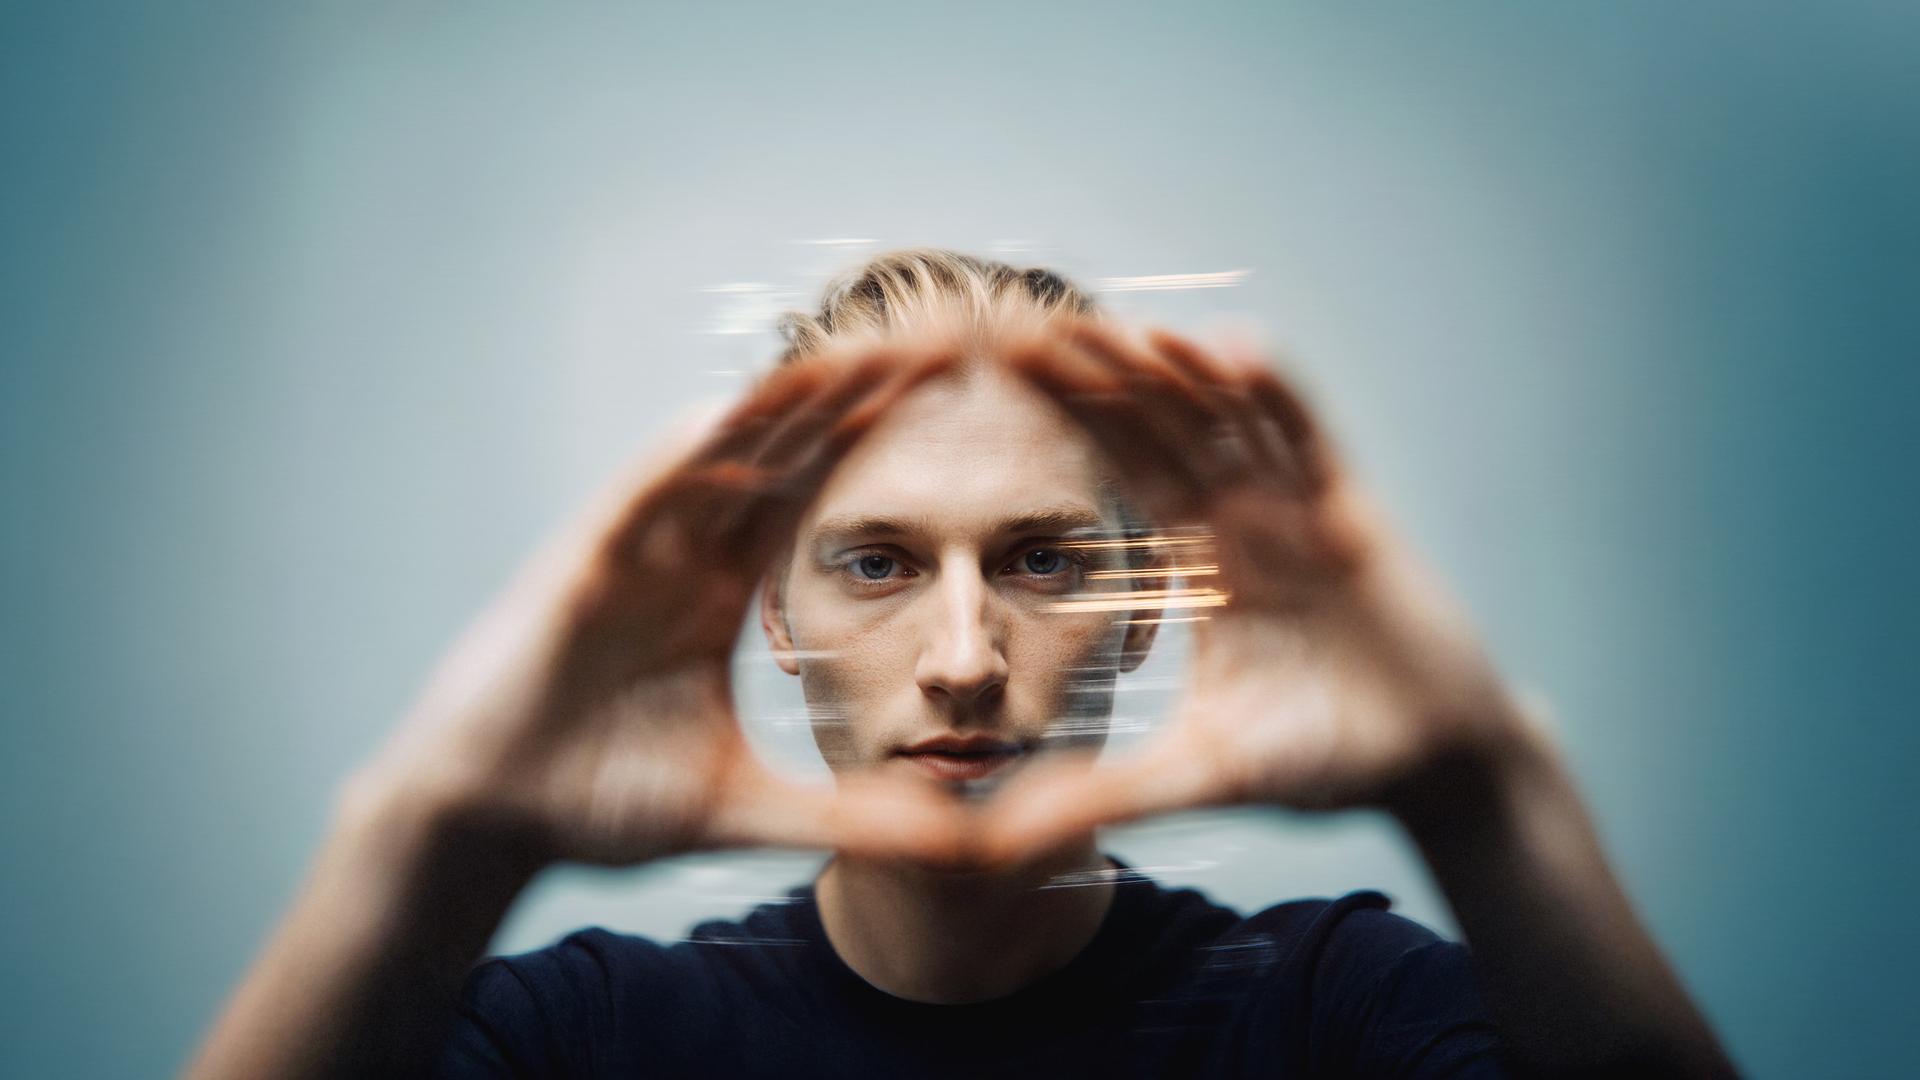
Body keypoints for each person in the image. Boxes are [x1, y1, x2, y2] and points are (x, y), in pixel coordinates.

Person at [188, 250, 1736, 1078]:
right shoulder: (588, 1038)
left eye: (1042, 559)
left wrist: (1483, 794)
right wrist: (430, 838)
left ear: (1143, 606)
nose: (961, 659)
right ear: (772, 617)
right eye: (876, 562)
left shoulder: (1335, 1010)